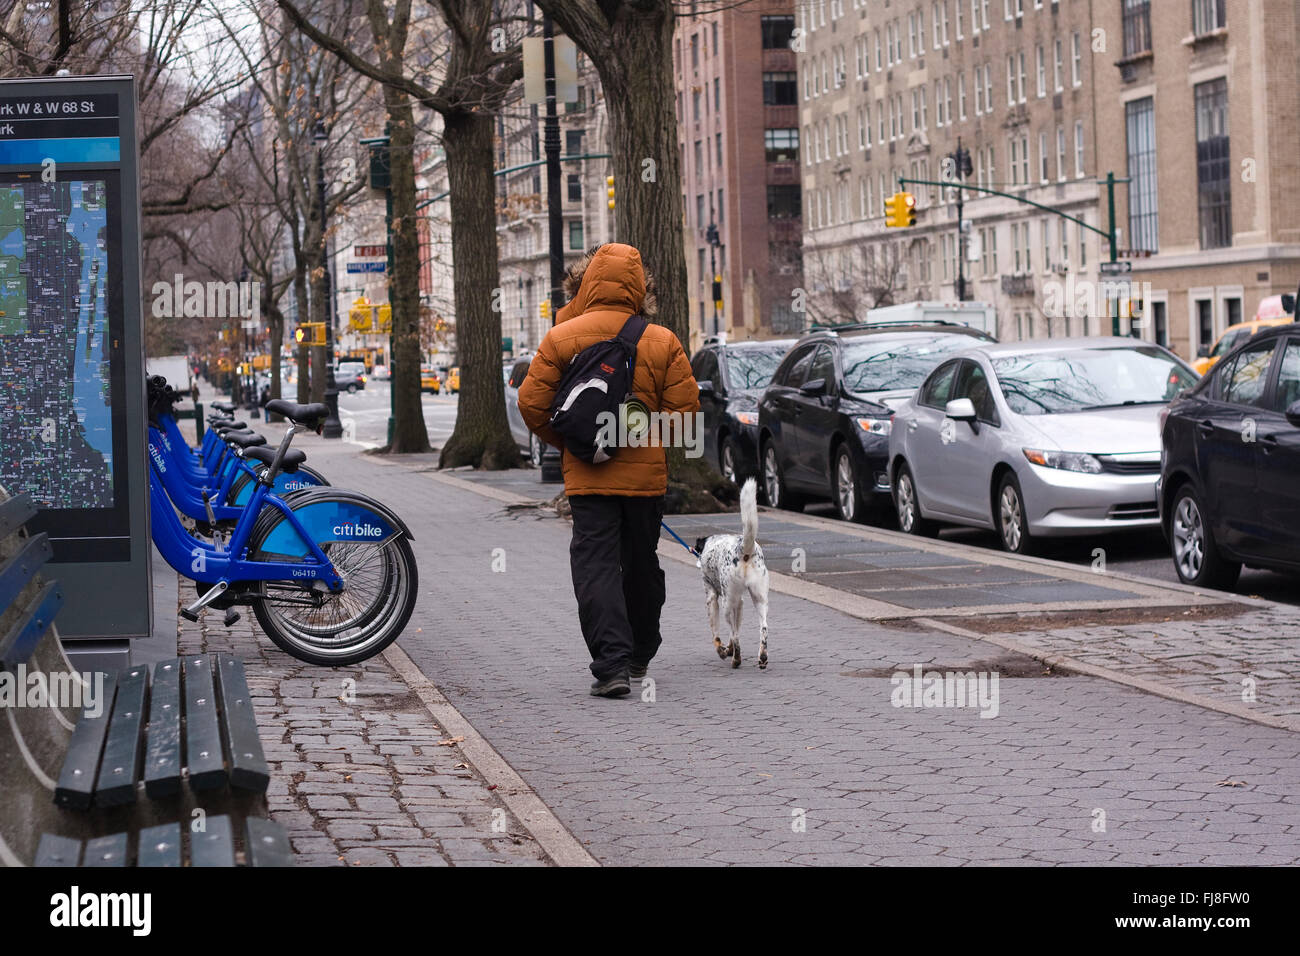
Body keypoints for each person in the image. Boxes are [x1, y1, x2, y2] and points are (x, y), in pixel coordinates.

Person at [518, 243, 699, 698]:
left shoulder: (561, 337)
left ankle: (611, 665)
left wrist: (576, 443)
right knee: (641, 563)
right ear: (640, 286)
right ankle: (641, 651)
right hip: (644, 483)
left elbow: (532, 403)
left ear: (588, 281)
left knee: (595, 564)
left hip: (589, 480)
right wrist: (643, 435)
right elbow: (685, 415)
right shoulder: (662, 340)